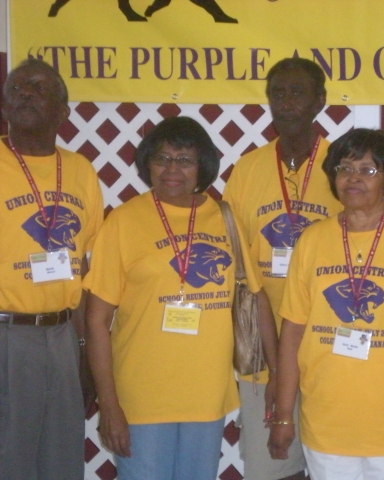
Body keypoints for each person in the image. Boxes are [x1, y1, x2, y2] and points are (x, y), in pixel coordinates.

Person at [83, 116, 278, 480]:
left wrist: (276, 375)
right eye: (162, 159)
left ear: (203, 165)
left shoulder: (225, 218)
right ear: (147, 165)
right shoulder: (124, 222)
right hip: (142, 394)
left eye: (185, 159)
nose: (172, 169)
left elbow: (257, 296)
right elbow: (96, 320)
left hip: (206, 392)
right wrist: (108, 403)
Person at [267, 128, 384, 480]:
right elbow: (292, 333)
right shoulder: (312, 240)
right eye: (344, 168)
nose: (353, 178)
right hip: (326, 422)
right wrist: (282, 415)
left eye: (368, 170)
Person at [223, 57, 342, 480]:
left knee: (336, 464)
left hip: (330, 343)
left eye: (297, 92)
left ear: (320, 101)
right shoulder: (248, 170)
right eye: (278, 93)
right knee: (273, 466)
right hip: (263, 348)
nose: (286, 103)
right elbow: (235, 261)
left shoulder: (342, 167)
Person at [0, 58, 104, 479]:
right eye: (17, 89)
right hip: (7, 336)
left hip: (63, 336)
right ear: (5, 106)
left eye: (38, 88)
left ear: (63, 111)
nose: (25, 93)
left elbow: (83, 267)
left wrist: (84, 353)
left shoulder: (79, 170)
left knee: (61, 460)